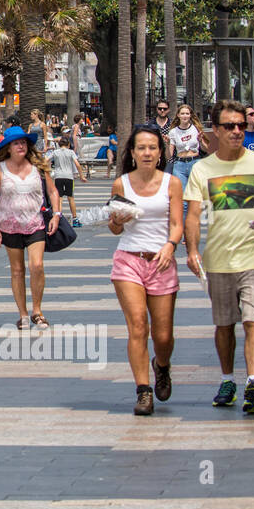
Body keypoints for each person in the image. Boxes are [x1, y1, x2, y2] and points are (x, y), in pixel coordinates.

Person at [184, 100, 254, 415]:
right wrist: (192, 250)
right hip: (220, 259)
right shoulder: (202, 169)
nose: (237, 131)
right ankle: (228, 379)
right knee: (225, 324)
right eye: (230, 126)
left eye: (241, 125)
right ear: (216, 130)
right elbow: (193, 214)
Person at [106, 125, 183, 416]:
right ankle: (143, 391)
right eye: (141, 148)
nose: (147, 153)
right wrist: (116, 220)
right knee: (138, 325)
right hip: (128, 260)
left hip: (161, 260)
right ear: (133, 153)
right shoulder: (121, 184)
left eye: (152, 147)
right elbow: (115, 228)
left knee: (163, 337)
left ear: (160, 153)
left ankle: (161, 365)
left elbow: (176, 224)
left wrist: (170, 246)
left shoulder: (172, 184)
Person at [0, 126, 61, 331]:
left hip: (35, 223)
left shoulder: (38, 166)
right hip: (9, 226)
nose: (21, 146)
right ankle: (23, 314)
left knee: (36, 266)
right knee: (17, 270)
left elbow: (53, 192)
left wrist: (57, 214)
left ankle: (37, 311)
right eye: (16, 143)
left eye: (24, 142)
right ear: (8, 147)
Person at [167, 104, 207, 189]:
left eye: (187, 113)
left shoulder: (196, 129)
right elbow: (170, 154)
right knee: (182, 195)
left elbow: (205, 148)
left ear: (190, 115)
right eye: (182, 113)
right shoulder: (173, 132)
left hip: (194, 162)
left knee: (197, 192)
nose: (185, 116)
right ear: (178, 115)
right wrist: (167, 143)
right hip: (179, 164)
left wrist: (200, 141)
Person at [49, 137, 86, 226]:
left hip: (58, 176)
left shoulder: (55, 152)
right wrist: (82, 176)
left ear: (59, 144)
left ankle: (60, 218)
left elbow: (46, 160)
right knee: (71, 198)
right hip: (69, 177)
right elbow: (77, 164)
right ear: (68, 144)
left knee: (60, 198)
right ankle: (75, 219)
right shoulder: (71, 152)